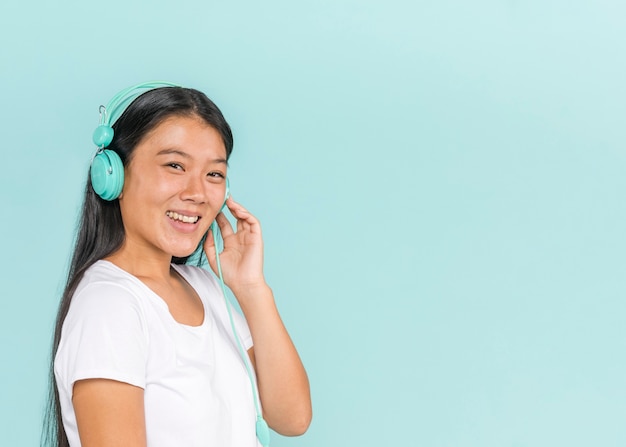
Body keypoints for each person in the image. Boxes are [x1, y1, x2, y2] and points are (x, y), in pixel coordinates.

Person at [43, 82, 312, 447]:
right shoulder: (109, 305)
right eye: (174, 165)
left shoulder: (203, 286)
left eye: (214, 174)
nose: (197, 192)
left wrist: (251, 289)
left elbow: (292, 417)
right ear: (113, 176)